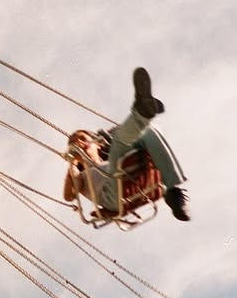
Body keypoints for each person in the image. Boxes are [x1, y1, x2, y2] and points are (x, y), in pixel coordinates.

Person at [64, 67, 191, 222]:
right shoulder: (82, 175)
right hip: (112, 196)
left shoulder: (109, 156)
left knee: (148, 131)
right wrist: (73, 163)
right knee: (119, 147)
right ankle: (142, 112)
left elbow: (116, 143)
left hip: (134, 181)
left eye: (83, 138)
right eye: (74, 143)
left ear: (97, 143)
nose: (79, 143)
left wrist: (113, 133)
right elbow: (70, 195)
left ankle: (173, 192)